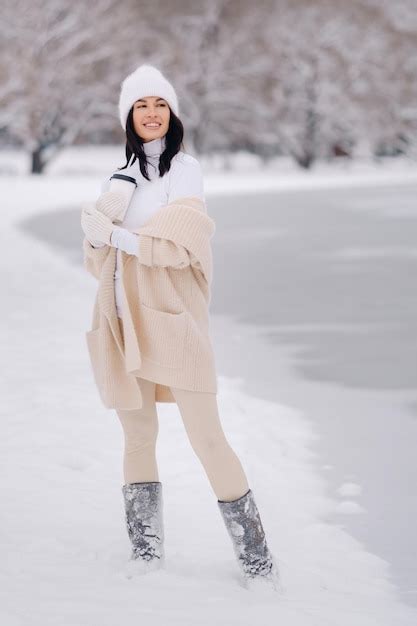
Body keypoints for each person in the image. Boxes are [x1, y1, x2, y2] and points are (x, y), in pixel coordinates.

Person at [80, 64, 279, 590]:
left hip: (175, 321)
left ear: (172, 113)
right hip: (122, 320)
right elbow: (96, 257)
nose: (151, 113)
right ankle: (145, 553)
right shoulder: (117, 179)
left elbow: (175, 248)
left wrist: (115, 236)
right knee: (138, 436)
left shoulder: (185, 171)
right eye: (141, 106)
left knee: (207, 437)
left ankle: (257, 560)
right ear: (128, 117)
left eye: (160, 104)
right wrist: (98, 234)